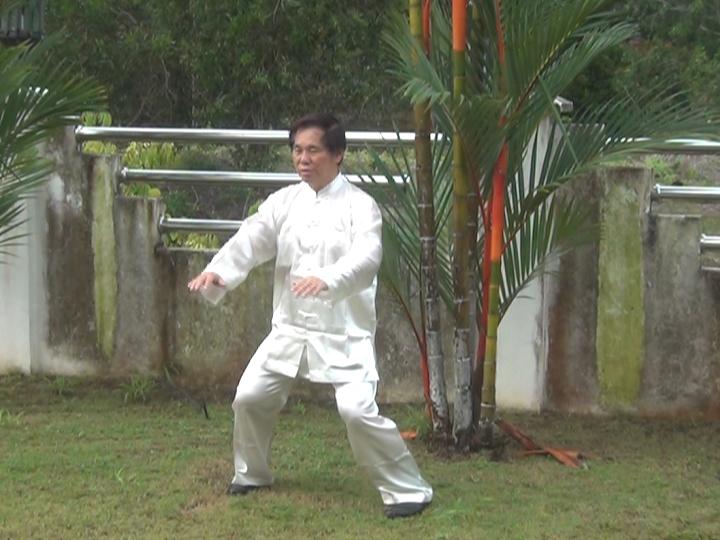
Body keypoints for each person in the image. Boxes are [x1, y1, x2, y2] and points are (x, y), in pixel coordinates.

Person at [187, 113, 433, 518]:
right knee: (249, 397)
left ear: (338, 155)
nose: (303, 158)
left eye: (313, 150)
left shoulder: (361, 207)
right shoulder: (283, 202)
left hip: (344, 332)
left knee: (356, 411)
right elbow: (251, 239)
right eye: (297, 150)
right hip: (290, 327)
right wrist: (219, 271)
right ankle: (252, 473)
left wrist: (328, 278)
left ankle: (408, 490)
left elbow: (367, 258)